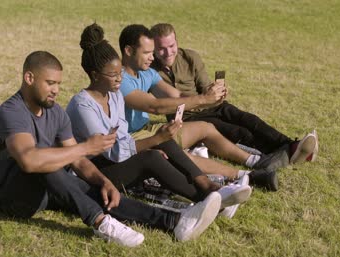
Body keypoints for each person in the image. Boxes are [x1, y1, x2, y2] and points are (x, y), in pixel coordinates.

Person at [0, 50, 223, 247]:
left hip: (46, 191)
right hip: (10, 197)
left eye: (58, 83)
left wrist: (103, 182)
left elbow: (78, 161)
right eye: (50, 83)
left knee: (96, 190)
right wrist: (86, 146)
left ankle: (174, 221)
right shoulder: (11, 112)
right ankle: (100, 222)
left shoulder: (55, 112)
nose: (56, 89)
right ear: (29, 78)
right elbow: (29, 161)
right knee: (47, 163)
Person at [66, 23, 253, 219]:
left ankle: (208, 185)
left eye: (120, 73)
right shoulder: (82, 106)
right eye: (113, 75)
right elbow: (113, 152)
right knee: (153, 154)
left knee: (162, 140)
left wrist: (158, 139)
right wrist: (152, 142)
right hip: (93, 173)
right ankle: (211, 199)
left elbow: (122, 138)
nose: (119, 79)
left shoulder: (114, 95)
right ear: (95, 75)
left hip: (114, 159)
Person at [118, 24, 287, 174]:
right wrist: (203, 98)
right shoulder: (119, 80)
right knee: (177, 155)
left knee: (207, 127)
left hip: (149, 129)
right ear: (129, 51)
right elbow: (155, 107)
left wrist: (210, 98)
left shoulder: (148, 73)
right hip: (131, 140)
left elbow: (176, 95)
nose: (152, 57)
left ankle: (256, 161)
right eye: (147, 52)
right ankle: (244, 176)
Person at [149, 23, 318, 164]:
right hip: (188, 118)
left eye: (171, 46)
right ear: (153, 49)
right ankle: (279, 154)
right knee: (237, 132)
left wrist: (217, 92)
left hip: (211, 105)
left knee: (249, 120)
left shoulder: (190, 57)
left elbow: (205, 87)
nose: (168, 52)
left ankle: (291, 145)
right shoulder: (149, 70)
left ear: (177, 42)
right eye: (161, 49)